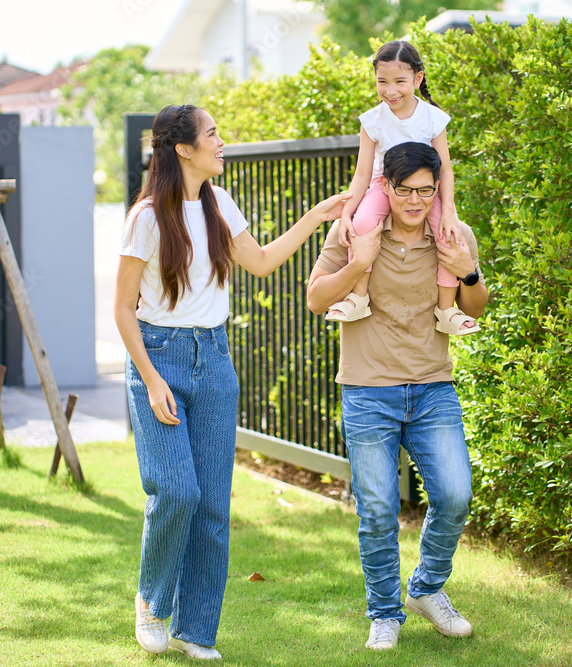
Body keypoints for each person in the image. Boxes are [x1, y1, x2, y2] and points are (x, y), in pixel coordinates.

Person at [115, 104, 349, 660]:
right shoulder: (146, 217)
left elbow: (263, 261)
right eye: (213, 134)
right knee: (176, 491)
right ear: (184, 149)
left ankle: (196, 630)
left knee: (214, 507)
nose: (223, 142)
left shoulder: (221, 204)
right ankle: (151, 602)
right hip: (159, 357)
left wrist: (317, 216)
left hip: (214, 361)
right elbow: (123, 309)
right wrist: (150, 380)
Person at [306, 142, 488, 650]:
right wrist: (355, 265)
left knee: (455, 494)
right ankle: (384, 612)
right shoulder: (354, 231)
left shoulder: (452, 233)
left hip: (433, 388)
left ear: (437, 189)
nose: (415, 201)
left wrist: (467, 269)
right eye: (404, 190)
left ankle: (426, 589)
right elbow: (316, 298)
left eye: (425, 191)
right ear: (385, 187)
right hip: (368, 391)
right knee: (379, 509)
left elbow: (476, 304)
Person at [324, 40, 479, 337]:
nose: (390, 91)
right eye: (382, 82)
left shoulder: (433, 118)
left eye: (399, 81)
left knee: (449, 236)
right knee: (364, 224)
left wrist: (447, 212)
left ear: (417, 79)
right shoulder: (372, 121)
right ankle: (359, 297)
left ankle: (446, 310)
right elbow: (361, 174)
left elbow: (445, 170)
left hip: (423, 191)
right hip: (383, 187)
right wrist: (347, 214)